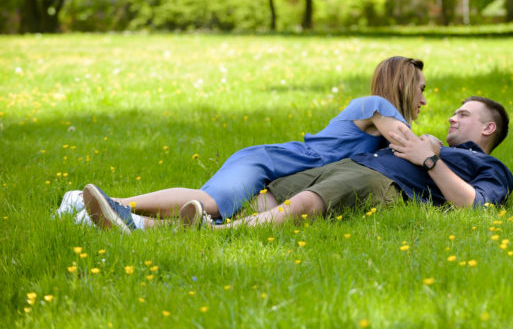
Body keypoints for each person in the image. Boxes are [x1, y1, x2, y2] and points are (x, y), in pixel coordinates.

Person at [82, 56, 427, 233]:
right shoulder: (376, 106)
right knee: (212, 203)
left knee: (219, 217)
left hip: (285, 176)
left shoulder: (379, 117)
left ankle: (131, 222)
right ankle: (113, 205)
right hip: (268, 161)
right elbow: (408, 143)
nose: (424, 100)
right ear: (403, 84)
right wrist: (432, 145)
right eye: (421, 89)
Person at [180, 96, 513, 229]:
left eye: (463, 114)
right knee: (264, 199)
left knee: (307, 203)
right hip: (350, 164)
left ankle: (219, 233)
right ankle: (158, 226)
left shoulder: (492, 168)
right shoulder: (434, 143)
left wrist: (429, 160)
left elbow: (474, 205)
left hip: (381, 182)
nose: (452, 118)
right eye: (455, 112)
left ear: (488, 128)